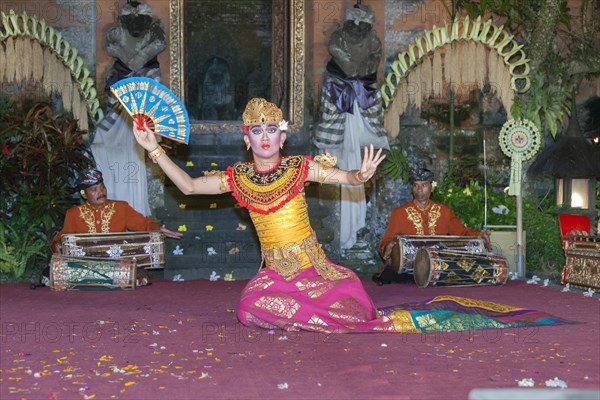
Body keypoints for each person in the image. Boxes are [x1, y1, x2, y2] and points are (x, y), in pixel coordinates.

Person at [132, 97, 571, 333]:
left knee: (353, 306)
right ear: (248, 140)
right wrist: (154, 149)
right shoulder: (239, 177)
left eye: (272, 130)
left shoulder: (299, 168)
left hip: (313, 268)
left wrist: (359, 175)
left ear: (280, 138)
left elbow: (343, 177)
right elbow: (189, 186)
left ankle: (310, 312)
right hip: (275, 275)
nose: (265, 138)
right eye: (257, 131)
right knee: (248, 309)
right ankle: (301, 312)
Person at [51, 169, 182, 253]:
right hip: (86, 264)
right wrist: (58, 245)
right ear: (84, 195)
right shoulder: (74, 213)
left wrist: (158, 227)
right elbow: (63, 238)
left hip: (116, 262)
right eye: (94, 190)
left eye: (102, 187)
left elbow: (144, 224)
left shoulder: (120, 207)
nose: (101, 192)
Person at [379, 168, 492, 262]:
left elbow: (462, 233)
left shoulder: (444, 211)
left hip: (439, 265)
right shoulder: (399, 213)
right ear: (412, 188)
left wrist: (480, 235)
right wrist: (388, 246)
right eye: (415, 185)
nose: (419, 189)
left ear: (432, 187)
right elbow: (386, 241)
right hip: (409, 267)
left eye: (424, 185)